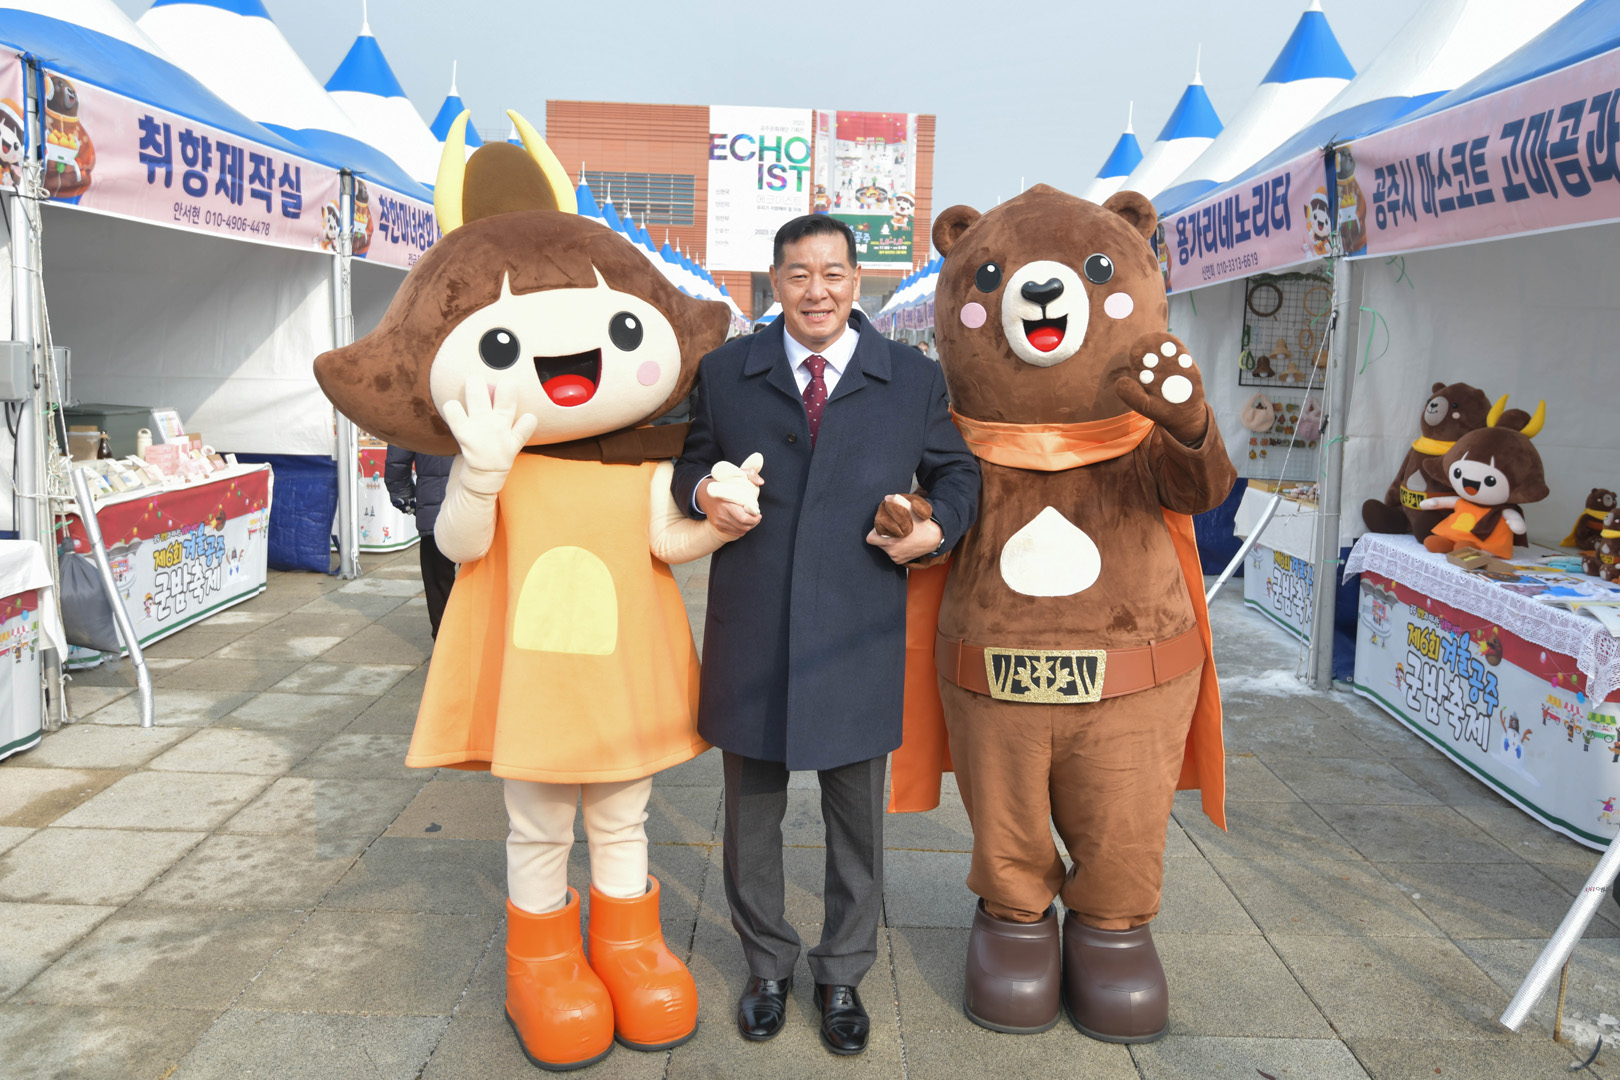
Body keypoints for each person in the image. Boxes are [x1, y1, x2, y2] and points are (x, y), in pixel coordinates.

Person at [673, 214, 979, 1056]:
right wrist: (705, 494)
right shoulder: (728, 372)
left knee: (857, 822)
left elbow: (957, 472)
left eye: (834, 273)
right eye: (800, 274)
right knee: (751, 817)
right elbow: (689, 463)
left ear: (857, 280)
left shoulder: (910, 377)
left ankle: (842, 971)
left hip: (857, 626)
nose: (818, 291)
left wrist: (935, 529)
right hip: (754, 624)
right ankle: (767, 966)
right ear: (776, 282)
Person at [383, 447, 455, 637]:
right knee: (477, 581)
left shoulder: (420, 422)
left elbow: (398, 454)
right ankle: (478, 643)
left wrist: (403, 495)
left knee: (438, 581)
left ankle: (443, 642)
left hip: (435, 508)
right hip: (478, 503)